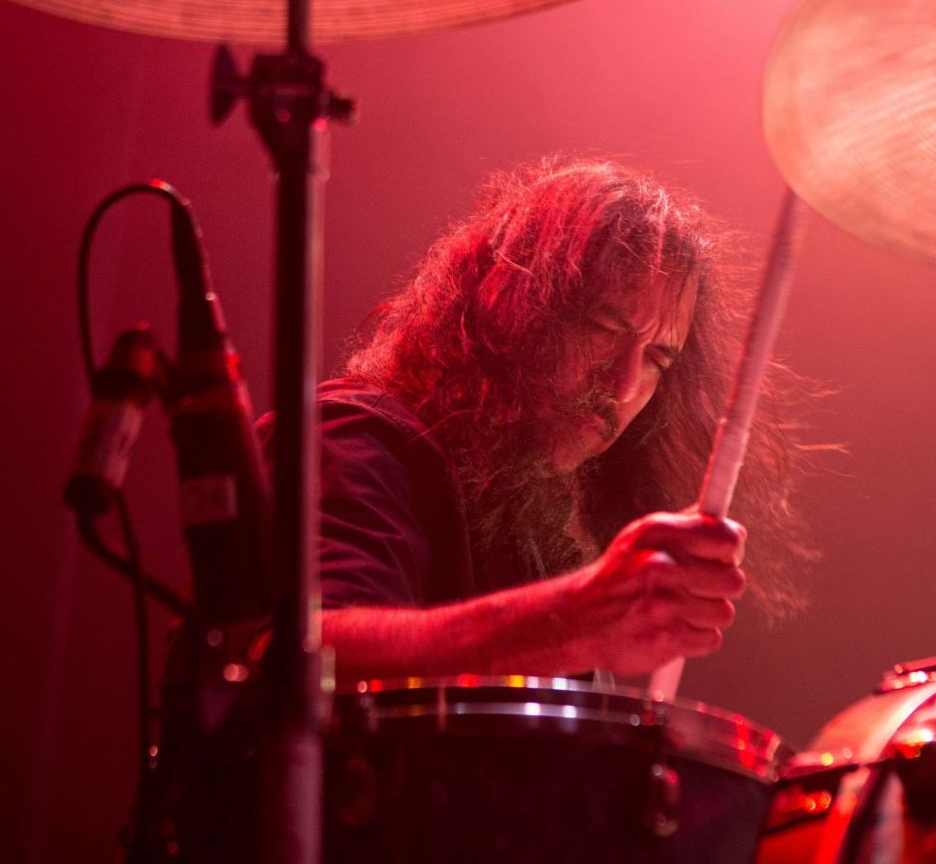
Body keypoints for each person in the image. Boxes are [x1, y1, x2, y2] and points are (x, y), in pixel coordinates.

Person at [306, 157, 808, 683]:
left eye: (657, 360)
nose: (623, 386)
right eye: (603, 328)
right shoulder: (360, 440)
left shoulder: (526, 529)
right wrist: (570, 619)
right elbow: (303, 654)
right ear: (512, 306)